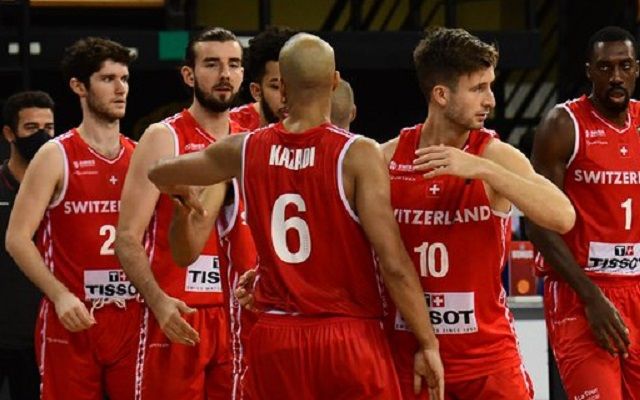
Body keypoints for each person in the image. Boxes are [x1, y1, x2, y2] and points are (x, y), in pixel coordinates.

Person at [147, 32, 445, 400]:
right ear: (334, 81)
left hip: (276, 338)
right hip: (346, 334)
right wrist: (428, 341)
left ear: (283, 86)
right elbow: (393, 263)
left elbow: (159, 171)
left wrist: (178, 190)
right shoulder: (357, 153)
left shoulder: (244, 148)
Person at [381, 27, 576, 399]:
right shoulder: (388, 157)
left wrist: (483, 169)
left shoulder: (495, 155)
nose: (490, 100)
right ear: (441, 95)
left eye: (490, 86)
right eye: (478, 88)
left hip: (487, 359)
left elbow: (563, 216)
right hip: (411, 356)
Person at [114, 27, 246, 400]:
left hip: (237, 316)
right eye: (212, 64)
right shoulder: (164, 137)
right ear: (189, 75)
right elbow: (126, 238)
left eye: (234, 64)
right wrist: (158, 302)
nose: (225, 74)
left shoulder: (251, 141)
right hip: (177, 312)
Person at [5, 37, 138, 400]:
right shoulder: (55, 155)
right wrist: (59, 296)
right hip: (74, 315)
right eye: (108, 79)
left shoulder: (139, 155)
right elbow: (17, 237)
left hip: (133, 315)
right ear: (79, 87)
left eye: (124, 78)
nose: (121, 88)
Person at [527, 26, 640, 399]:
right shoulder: (562, 124)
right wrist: (591, 296)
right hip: (580, 290)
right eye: (605, 67)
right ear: (589, 71)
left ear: (637, 69)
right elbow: (538, 224)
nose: (616, 76)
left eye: (625, 66)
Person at [0, 90, 54, 400]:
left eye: (49, 128)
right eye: (31, 128)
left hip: (42, 334)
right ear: (10, 133)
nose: (42, 137)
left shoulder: (64, 191)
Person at [230, 26, 297, 130]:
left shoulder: (320, 126)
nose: (286, 98)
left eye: (296, 86)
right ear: (257, 91)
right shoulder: (231, 128)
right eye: (276, 87)